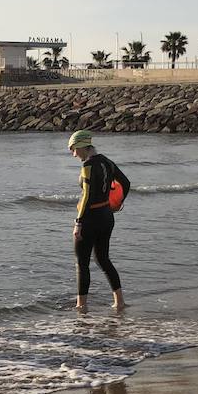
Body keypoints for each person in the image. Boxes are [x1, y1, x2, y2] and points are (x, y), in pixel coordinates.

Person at [69, 130, 130, 312]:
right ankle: (119, 302)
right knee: (103, 259)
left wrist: (79, 222)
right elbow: (125, 183)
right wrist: (117, 203)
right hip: (106, 216)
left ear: (82, 146)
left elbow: (87, 195)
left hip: (90, 219)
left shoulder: (87, 165)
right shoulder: (107, 162)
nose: (74, 154)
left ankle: (82, 305)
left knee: (82, 263)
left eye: (74, 149)